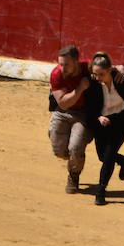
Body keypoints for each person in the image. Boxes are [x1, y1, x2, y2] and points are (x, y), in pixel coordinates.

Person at [84, 52, 124, 205]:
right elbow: (89, 107)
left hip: (121, 121)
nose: (97, 77)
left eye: (101, 74)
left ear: (110, 70)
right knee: (102, 155)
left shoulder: (121, 79)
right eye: (95, 74)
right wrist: (98, 117)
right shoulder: (92, 83)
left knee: (108, 156)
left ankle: (101, 192)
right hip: (102, 123)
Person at [48, 44, 92, 194]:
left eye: (66, 64)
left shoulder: (88, 66)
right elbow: (63, 103)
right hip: (62, 112)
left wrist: (119, 70)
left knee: (75, 147)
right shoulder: (56, 75)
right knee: (59, 151)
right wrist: (80, 88)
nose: (62, 68)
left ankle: (74, 175)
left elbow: (107, 66)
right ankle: (75, 159)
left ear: (76, 62)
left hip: (83, 114)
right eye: (60, 64)